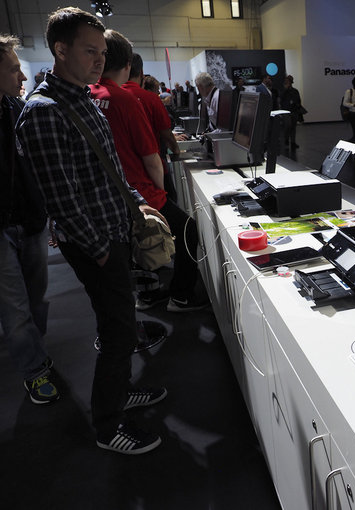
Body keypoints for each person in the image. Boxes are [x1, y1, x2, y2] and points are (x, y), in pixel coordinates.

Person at [15, 7, 167, 454]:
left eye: (102, 52)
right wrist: (101, 249)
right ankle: (108, 424)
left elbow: (108, 171)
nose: (99, 59)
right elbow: (61, 198)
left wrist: (136, 205)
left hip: (113, 230)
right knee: (119, 330)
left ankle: (119, 393)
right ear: (60, 50)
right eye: (89, 51)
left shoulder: (81, 97)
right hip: (96, 242)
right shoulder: (43, 112)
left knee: (120, 323)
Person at [91, 29, 204, 313]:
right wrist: (161, 194)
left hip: (106, 195)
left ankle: (150, 293)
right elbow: (152, 158)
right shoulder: (125, 99)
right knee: (188, 228)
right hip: (139, 191)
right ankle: (181, 296)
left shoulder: (89, 95)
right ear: (128, 64)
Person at [0, 33, 59, 405]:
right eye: (13, 70)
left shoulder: (16, 110)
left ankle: (34, 354)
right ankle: (35, 370)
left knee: (35, 299)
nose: (23, 78)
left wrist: (48, 213)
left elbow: (38, 168)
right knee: (15, 307)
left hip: (32, 220)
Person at [122, 53, 181, 201]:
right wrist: (176, 151)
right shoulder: (150, 99)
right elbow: (166, 135)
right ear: (141, 73)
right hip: (153, 170)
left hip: (125, 175)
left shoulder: (112, 97)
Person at [280, 74, 302, 149]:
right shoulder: (283, 91)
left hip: (294, 111)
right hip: (286, 111)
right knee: (288, 125)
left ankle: (293, 142)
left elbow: (298, 100)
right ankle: (286, 139)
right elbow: (281, 99)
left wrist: (297, 106)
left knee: (293, 127)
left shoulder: (295, 91)